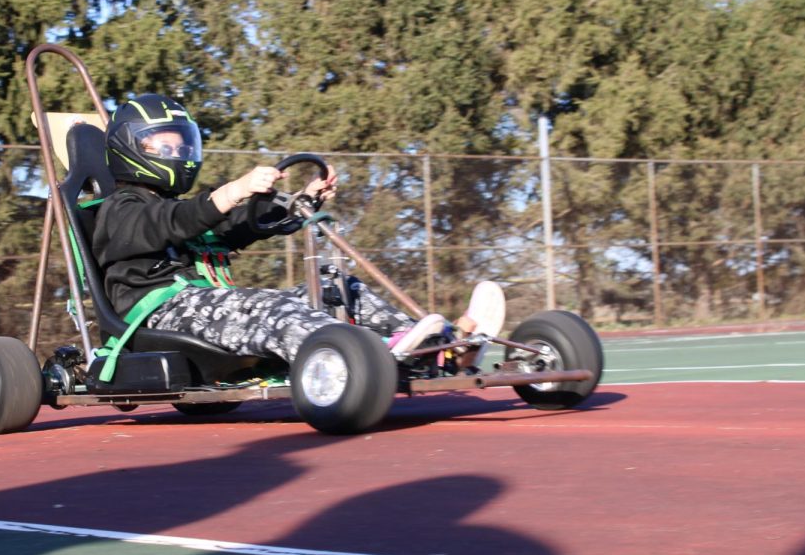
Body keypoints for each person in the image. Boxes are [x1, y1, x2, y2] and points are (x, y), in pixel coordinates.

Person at [91, 93, 505, 368]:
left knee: (335, 288)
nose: (178, 154)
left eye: (182, 146)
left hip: (205, 304)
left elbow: (232, 226)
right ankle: (364, 359)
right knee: (272, 310)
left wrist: (300, 201)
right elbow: (174, 222)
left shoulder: (175, 209)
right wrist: (232, 191)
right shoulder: (121, 210)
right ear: (131, 148)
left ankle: (443, 348)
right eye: (165, 147)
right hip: (157, 313)